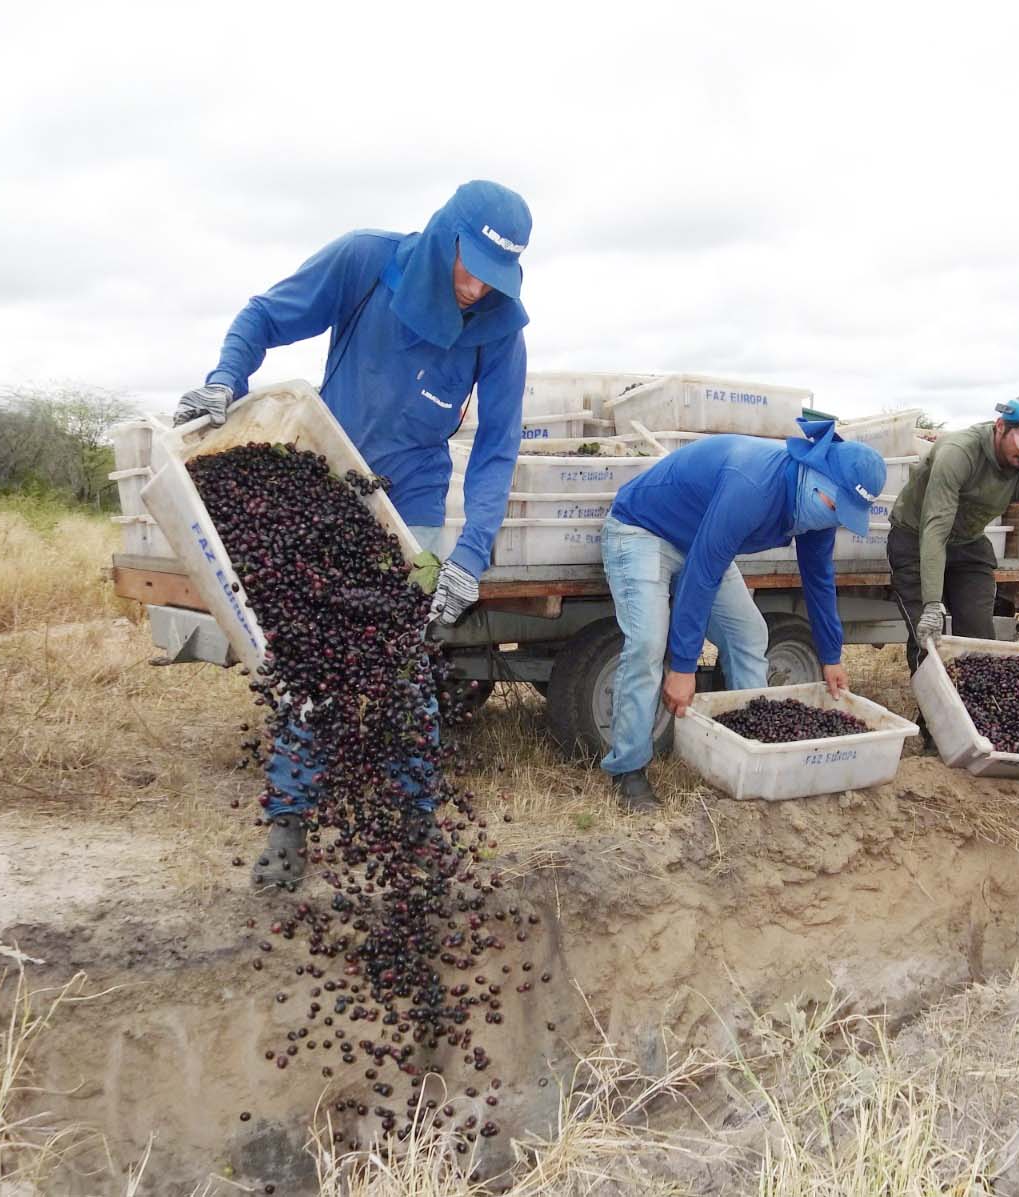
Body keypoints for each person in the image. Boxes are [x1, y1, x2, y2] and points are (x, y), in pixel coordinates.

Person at [176, 180, 532, 885]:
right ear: (444, 238)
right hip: (326, 488)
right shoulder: (366, 262)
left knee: (404, 666)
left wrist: (469, 552)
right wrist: (225, 378)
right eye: (469, 270)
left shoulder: (501, 331)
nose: (474, 290)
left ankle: (413, 818)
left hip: (415, 507)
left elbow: (497, 445)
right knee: (309, 660)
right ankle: (289, 822)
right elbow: (264, 315)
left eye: (493, 281)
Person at [600, 419, 888, 810]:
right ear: (814, 473)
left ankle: (752, 750)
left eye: (845, 514)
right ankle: (628, 770)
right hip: (643, 530)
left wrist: (831, 654)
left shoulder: (818, 507)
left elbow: (819, 578)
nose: (836, 519)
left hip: (703, 539)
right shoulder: (752, 485)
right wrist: (683, 666)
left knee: (749, 635)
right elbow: (702, 572)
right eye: (837, 507)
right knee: (648, 643)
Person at [887, 394, 1019, 733]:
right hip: (916, 539)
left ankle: (975, 725)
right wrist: (933, 605)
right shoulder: (959, 454)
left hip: (969, 545)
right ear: (1000, 427)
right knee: (929, 640)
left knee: (979, 640)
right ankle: (937, 730)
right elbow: (935, 528)